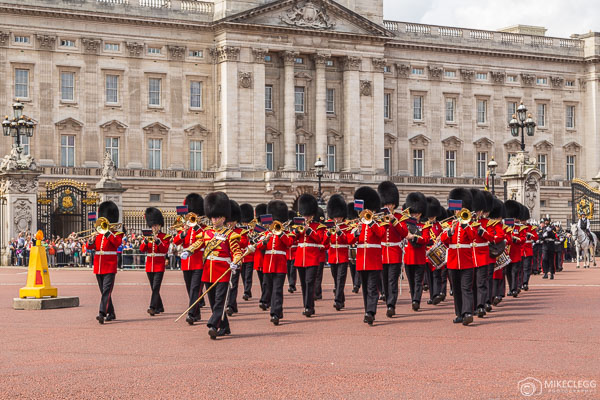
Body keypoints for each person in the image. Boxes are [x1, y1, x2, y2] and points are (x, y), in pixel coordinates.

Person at [199, 192, 243, 339]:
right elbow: (198, 244)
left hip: (223, 271)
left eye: (216, 217)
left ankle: (213, 325)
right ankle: (225, 327)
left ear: (223, 218)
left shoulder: (230, 234)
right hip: (208, 271)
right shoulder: (206, 233)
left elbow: (236, 252)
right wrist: (188, 250)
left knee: (219, 301)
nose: (213, 220)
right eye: (212, 217)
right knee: (212, 301)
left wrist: (236, 262)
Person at [347, 186, 385, 326]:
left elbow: (381, 234)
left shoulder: (377, 223)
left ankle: (371, 312)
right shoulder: (359, 224)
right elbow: (349, 240)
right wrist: (356, 232)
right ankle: (367, 311)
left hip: (373, 260)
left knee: (371, 288)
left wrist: (372, 222)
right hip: (361, 260)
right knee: (365, 288)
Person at [439, 188, 477, 326]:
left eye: (460, 209)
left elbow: (473, 237)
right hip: (453, 262)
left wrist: (465, 225)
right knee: (456, 289)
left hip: (467, 261)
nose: (458, 212)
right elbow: (443, 240)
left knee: (466, 288)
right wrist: (451, 231)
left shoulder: (470, 224)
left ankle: (468, 313)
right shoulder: (449, 224)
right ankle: (460, 313)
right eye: (457, 210)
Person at [256, 200, 294, 325]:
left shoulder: (285, 233)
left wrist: (280, 233)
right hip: (268, 265)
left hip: (280, 265)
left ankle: (275, 313)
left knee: (277, 290)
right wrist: (265, 241)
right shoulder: (266, 233)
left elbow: (289, 244)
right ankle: (278, 310)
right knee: (268, 289)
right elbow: (259, 247)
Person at [377, 182, 409, 317]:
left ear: (394, 204)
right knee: (384, 281)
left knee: (392, 280)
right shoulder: (379, 217)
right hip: (382, 253)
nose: (387, 207)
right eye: (385, 204)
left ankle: (391, 305)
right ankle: (387, 300)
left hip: (395, 253)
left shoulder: (400, 217)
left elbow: (404, 233)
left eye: (389, 204)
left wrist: (394, 220)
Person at [88, 201, 124, 324]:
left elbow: (117, 243)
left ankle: (102, 313)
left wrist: (108, 232)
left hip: (109, 266)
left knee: (106, 290)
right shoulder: (98, 234)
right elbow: (90, 247)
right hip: (98, 266)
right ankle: (112, 312)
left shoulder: (117, 233)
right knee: (104, 291)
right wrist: (91, 240)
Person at [172, 193, 205, 325]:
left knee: (195, 289)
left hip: (198, 262)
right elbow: (176, 241)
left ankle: (191, 313)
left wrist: (196, 227)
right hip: (186, 263)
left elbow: (203, 241)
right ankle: (196, 313)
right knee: (189, 288)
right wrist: (184, 232)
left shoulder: (203, 229)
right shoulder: (186, 229)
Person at [293, 194, 325, 317]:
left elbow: (319, 239)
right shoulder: (298, 226)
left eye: (308, 215)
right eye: (304, 215)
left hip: (312, 258)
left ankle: (308, 307)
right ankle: (307, 305)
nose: (306, 217)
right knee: (303, 284)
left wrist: (308, 230)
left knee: (310, 282)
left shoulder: (319, 227)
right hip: (300, 258)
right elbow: (292, 241)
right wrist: (296, 231)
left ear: (312, 214)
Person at [401, 191, 430, 312]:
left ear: (421, 213)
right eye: (413, 213)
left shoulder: (424, 225)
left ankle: (416, 301)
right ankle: (414, 298)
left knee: (419, 281)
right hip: (408, 256)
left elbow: (426, 239)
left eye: (417, 213)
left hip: (419, 257)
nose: (415, 215)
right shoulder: (406, 224)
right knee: (412, 281)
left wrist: (414, 237)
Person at [139, 207, 170, 316]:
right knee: (153, 287)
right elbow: (142, 249)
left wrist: (158, 242)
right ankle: (160, 307)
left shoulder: (165, 236)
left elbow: (165, 249)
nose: (154, 227)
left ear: (160, 225)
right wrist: (145, 241)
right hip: (149, 265)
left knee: (156, 287)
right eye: (152, 226)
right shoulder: (147, 236)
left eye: (156, 225)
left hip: (159, 264)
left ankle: (152, 307)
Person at [325, 194, 350, 311]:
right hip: (332, 256)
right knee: (336, 280)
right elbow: (324, 243)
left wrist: (340, 232)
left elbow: (349, 240)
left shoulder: (346, 226)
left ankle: (337, 301)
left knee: (340, 279)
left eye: (339, 217)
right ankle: (342, 299)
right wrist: (328, 234)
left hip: (343, 256)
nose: (337, 219)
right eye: (335, 217)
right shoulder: (329, 226)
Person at [424, 196, 444, 305]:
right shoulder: (425, 226)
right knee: (429, 276)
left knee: (437, 274)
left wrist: (439, 239)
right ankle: (432, 296)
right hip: (428, 253)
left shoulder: (438, 225)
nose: (432, 217)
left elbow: (442, 235)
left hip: (436, 252)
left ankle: (436, 294)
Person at [239, 203, 256, 300]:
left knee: (248, 275)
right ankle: (248, 291)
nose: (245, 224)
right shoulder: (240, 230)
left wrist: (251, 238)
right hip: (242, 256)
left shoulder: (253, 230)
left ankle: (246, 291)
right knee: (243, 275)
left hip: (250, 255)